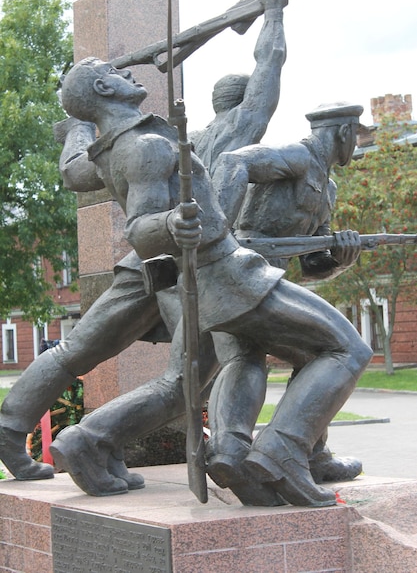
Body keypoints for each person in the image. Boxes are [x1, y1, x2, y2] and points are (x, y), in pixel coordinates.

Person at [0, 0, 291, 501]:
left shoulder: (125, 144)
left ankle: (15, 430)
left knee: (75, 351)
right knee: (190, 376)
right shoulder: (215, 137)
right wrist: (273, 15)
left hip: (146, 265)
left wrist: (79, 128)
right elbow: (267, 81)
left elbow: (72, 173)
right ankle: (93, 440)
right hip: (187, 268)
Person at [47, 55, 372, 508]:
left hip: (214, 273)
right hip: (226, 271)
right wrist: (174, 222)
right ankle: (282, 451)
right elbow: (140, 229)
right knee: (347, 348)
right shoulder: (145, 146)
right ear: (103, 90)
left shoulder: (134, 141)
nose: (128, 72)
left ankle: (117, 441)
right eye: (115, 72)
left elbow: (81, 174)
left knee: (190, 379)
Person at [208, 101, 367, 485]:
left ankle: (240, 452)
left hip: (265, 284)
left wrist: (339, 258)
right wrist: (219, 236)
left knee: (298, 354)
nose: (357, 145)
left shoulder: (326, 186)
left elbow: (312, 264)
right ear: (344, 133)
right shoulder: (296, 157)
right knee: (328, 350)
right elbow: (233, 162)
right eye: (356, 135)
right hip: (242, 274)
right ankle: (294, 452)